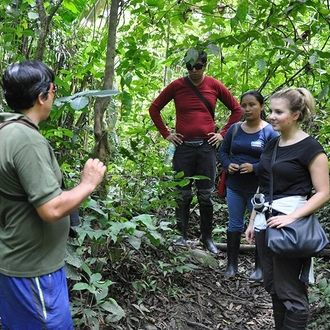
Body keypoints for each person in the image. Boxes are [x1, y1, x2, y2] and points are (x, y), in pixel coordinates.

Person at [0, 60, 106, 329]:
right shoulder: (26, 140)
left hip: (21, 261)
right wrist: (88, 183)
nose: (54, 95)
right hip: (33, 269)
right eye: (53, 89)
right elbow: (50, 210)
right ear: (41, 96)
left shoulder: (7, 130)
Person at [245, 88, 329, 329]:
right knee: (273, 287)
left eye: (278, 112)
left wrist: (291, 218)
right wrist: (252, 221)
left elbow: (324, 192)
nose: (271, 116)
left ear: (296, 115)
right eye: (270, 110)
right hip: (265, 221)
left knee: (292, 294)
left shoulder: (311, 148)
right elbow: (264, 184)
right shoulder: (272, 144)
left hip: (289, 224)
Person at [149, 49, 242, 253]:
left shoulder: (214, 85)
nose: (193, 71)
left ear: (204, 66)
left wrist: (223, 133)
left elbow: (237, 109)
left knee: (205, 195)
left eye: (198, 67)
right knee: (182, 193)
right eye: (190, 67)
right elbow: (154, 108)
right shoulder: (177, 86)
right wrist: (167, 134)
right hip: (183, 148)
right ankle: (181, 236)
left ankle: (206, 238)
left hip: (206, 148)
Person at [218, 91, 279, 278]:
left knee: (260, 226)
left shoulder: (269, 132)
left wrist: (254, 167)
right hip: (234, 186)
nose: (247, 109)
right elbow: (222, 151)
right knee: (234, 224)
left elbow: (275, 160)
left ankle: (259, 269)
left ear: (261, 106)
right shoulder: (235, 129)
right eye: (244, 105)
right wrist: (228, 166)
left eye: (252, 105)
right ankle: (231, 266)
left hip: (258, 189)